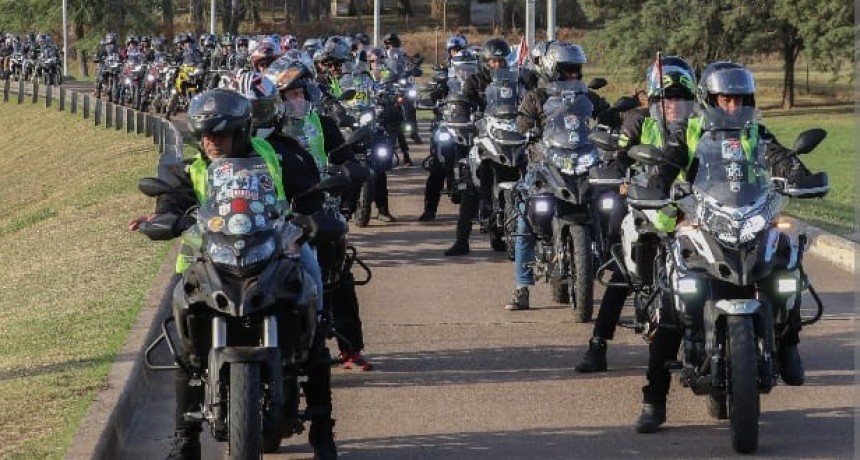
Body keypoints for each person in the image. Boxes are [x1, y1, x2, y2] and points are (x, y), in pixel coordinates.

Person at [129, 89, 338, 459]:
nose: (211, 142)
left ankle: (323, 430)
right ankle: (185, 439)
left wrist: (318, 216)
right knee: (186, 351)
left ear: (242, 131)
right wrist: (162, 219)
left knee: (315, 305)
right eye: (205, 135)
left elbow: (310, 194)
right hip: (210, 257)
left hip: (275, 247)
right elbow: (173, 200)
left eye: (220, 134)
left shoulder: (279, 154)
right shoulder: (190, 168)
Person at [634, 61, 814, 434]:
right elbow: (669, 162)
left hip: (748, 218)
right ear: (709, 100)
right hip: (701, 220)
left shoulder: (755, 133)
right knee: (671, 308)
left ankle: (787, 342)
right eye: (723, 99)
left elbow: (777, 156)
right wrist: (657, 185)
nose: (731, 107)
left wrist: (799, 175)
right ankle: (655, 400)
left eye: (738, 100)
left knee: (786, 264)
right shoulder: (688, 131)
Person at [573, 56, 695, 372]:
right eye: (667, 99)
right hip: (646, 207)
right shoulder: (639, 122)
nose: (674, 105)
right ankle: (598, 344)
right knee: (623, 271)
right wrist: (617, 173)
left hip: (691, 212)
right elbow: (619, 155)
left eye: (681, 99)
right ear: (653, 100)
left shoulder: (701, 127)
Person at [502, 41, 608, 311]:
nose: (573, 76)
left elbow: (608, 117)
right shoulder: (535, 97)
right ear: (552, 69)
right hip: (545, 163)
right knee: (526, 218)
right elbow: (522, 124)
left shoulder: (588, 97)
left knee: (609, 202)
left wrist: (620, 119)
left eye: (576, 71)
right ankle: (521, 287)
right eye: (567, 71)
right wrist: (524, 133)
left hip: (582, 162)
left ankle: (618, 269)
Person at [443, 38, 521, 256]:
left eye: (500, 61)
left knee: (524, 180)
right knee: (471, 188)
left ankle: (516, 237)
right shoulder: (475, 81)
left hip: (511, 137)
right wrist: (464, 116)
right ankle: (461, 241)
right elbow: (464, 103)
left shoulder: (515, 82)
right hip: (484, 136)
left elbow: (526, 102)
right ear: (485, 62)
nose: (497, 65)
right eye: (492, 61)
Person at [418, 45, 476, 222]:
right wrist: (430, 101)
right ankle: (429, 209)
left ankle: (482, 210)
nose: (465, 72)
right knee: (437, 168)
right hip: (448, 126)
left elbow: (489, 102)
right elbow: (433, 96)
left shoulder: (479, 83)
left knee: (481, 167)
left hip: (470, 127)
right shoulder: (447, 83)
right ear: (455, 68)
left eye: (470, 68)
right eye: (462, 68)